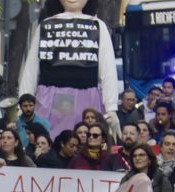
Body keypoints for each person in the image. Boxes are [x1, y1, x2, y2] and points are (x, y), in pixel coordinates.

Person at [19, 0, 120, 138]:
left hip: (60, 99)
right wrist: (111, 108)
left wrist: (111, 107)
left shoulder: (97, 26)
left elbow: (108, 70)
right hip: (73, 98)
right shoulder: (47, 25)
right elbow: (31, 69)